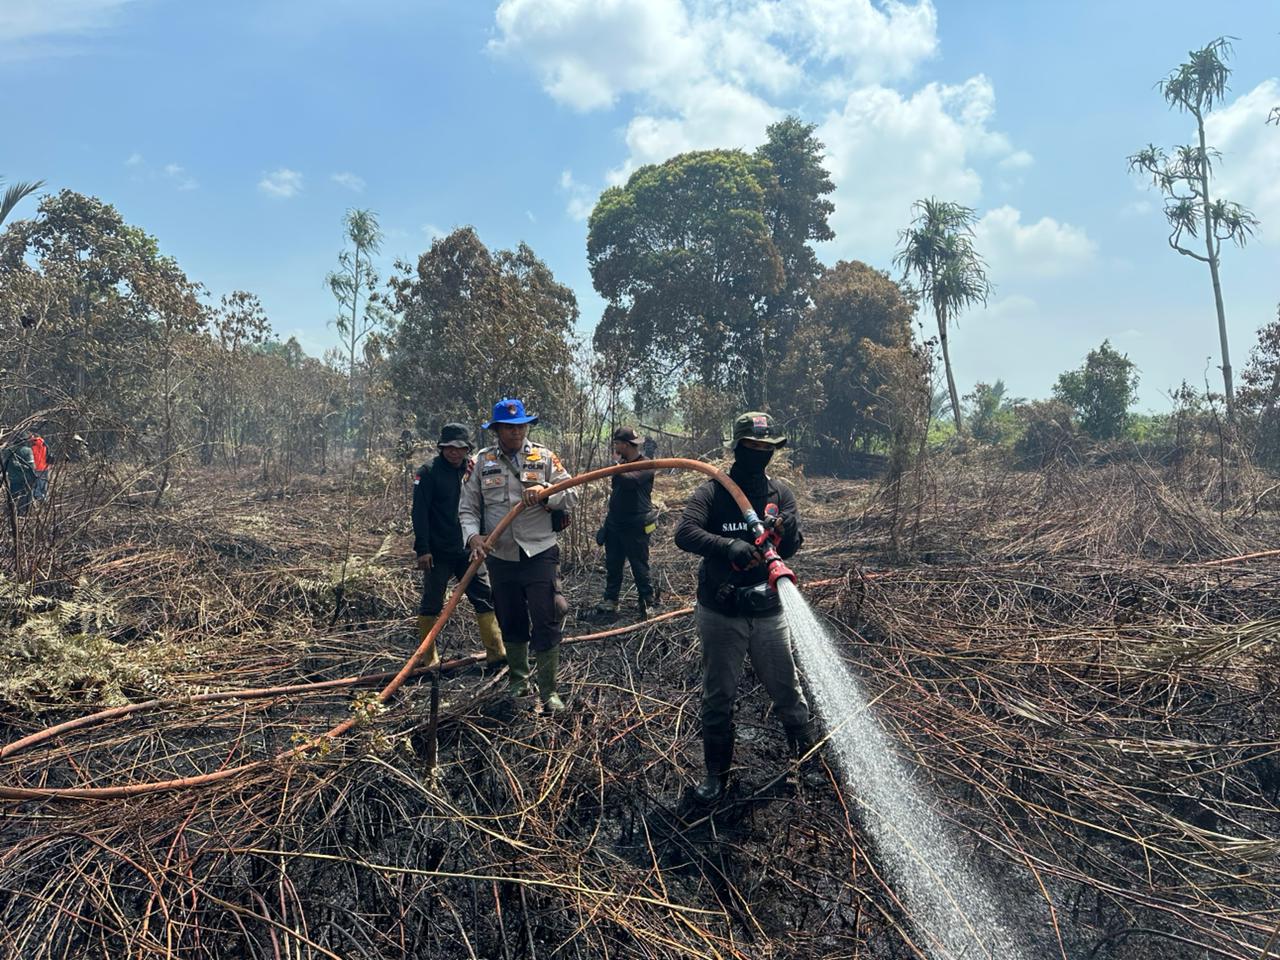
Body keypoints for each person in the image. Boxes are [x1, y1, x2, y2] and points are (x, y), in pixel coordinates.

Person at [673, 411, 814, 802]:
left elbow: (789, 549)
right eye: (752, 447)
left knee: (787, 689)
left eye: (767, 448)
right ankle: (716, 777)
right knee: (719, 695)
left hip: (769, 610)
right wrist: (727, 545)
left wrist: (789, 533)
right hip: (722, 612)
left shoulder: (779, 494)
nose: (759, 454)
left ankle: (809, 764)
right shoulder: (714, 492)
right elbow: (684, 532)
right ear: (737, 447)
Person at [460, 398, 578, 711]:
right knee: (510, 617)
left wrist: (548, 493)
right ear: (496, 429)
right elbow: (468, 508)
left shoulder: (546, 456)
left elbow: (574, 493)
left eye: (521, 426)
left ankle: (549, 691)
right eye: (509, 427)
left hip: (539, 551)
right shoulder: (481, 462)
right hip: (501, 556)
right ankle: (518, 681)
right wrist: (473, 538)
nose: (516, 432)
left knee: (546, 616)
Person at [412, 423, 505, 669]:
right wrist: (423, 549)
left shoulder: (474, 470)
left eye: (460, 448)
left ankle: (496, 653)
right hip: (438, 552)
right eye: (449, 448)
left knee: (484, 597)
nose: (454, 453)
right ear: (441, 448)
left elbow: (482, 506)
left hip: (468, 549)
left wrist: (484, 537)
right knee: (432, 602)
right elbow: (419, 513)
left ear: (467, 450)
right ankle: (428, 658)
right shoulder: (429, 472)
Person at [594, 426, 659, 618]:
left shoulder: (646, 464)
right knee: (613, 564)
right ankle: (611, 599)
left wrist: (616, 467)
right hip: (615, 523)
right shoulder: (621, 463)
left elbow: (630, 482)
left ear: (625, 445)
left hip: (636, 525)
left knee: (639, 565)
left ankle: (647, 602)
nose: (615, 447)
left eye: (617, 443)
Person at [3, 433, 37, 516]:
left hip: (13, 479)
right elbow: (32, 467)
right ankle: (22, 515)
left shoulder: (8, 450)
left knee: (13, 498)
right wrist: (34, 477)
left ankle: (11, 514)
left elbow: (4, 465)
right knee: (25, 498)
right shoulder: (27, 450)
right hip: (26, 478)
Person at [29, 432, 48, 501]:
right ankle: (44, 499)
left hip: (36, 468)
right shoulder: (44, 444)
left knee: (37, 485)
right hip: (45, 467)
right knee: (44, 484)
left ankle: (38, 499)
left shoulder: (32, 447)